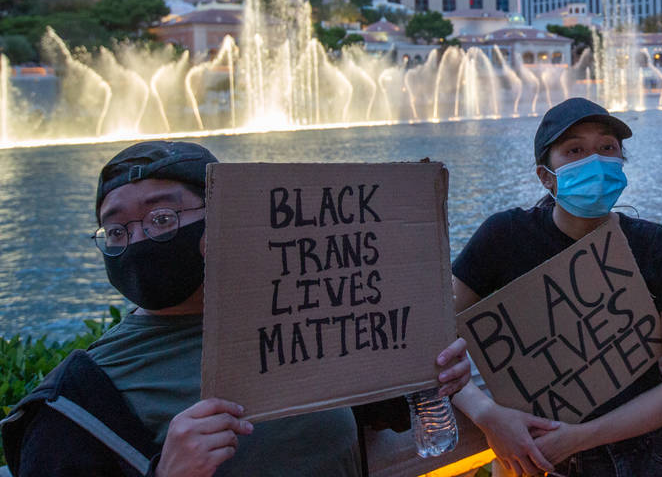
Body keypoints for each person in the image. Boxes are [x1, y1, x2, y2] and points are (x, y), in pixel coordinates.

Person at [1, 141, 472, 476]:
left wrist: (424, 377)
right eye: (117, 230)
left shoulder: (314, 321)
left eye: (162, 218)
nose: (139, 239)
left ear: (227, 215)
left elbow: (369, 416)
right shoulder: (74, 403)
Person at [450, 98, 662, 476]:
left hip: (648, 458)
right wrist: (486, 413)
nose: (596, 161)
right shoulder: (503, 237)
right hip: (536, 460)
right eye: (575, 150)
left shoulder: (656, 245)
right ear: (545, 175)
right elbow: (425, 342)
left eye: (607, 148)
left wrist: (578, 437)